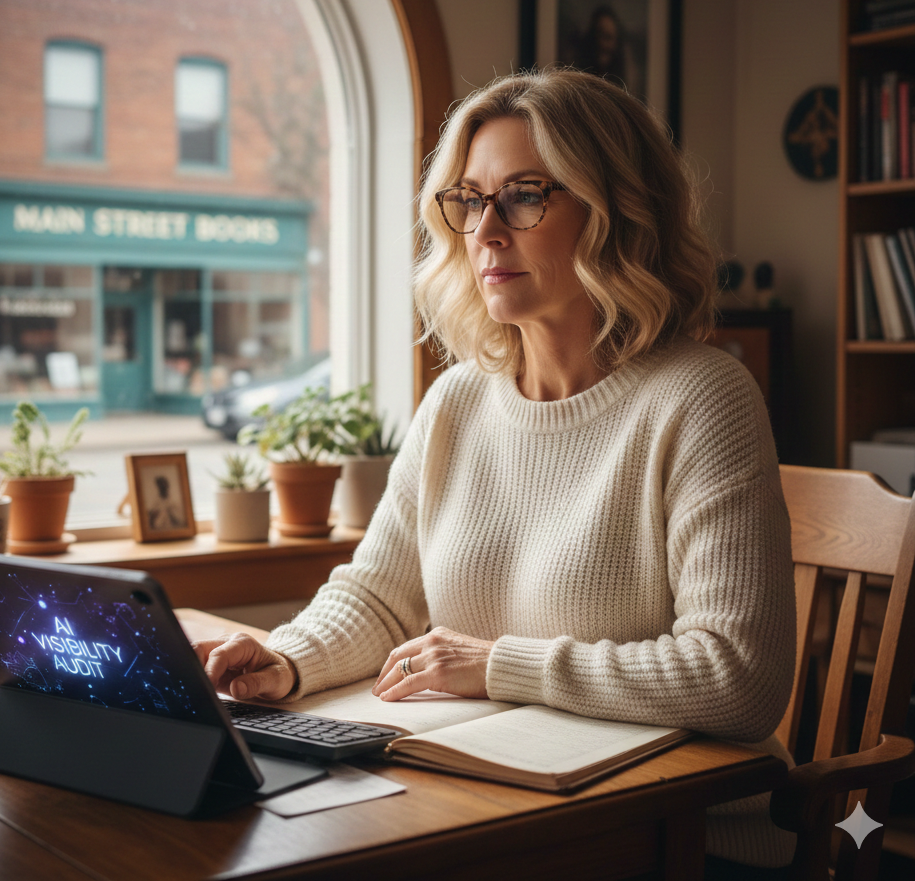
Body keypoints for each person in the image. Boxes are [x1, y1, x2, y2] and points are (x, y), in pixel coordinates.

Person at [195, 69, 796, 878]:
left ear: (615, 212)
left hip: (685, 838)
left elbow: (738, 678)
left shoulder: (701, 398)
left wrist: (498, 664)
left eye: (523, 195)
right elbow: (379, 594)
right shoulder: (457, 401)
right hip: (501, 805)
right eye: (469, 200)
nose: (485, 230)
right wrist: (290, 660)